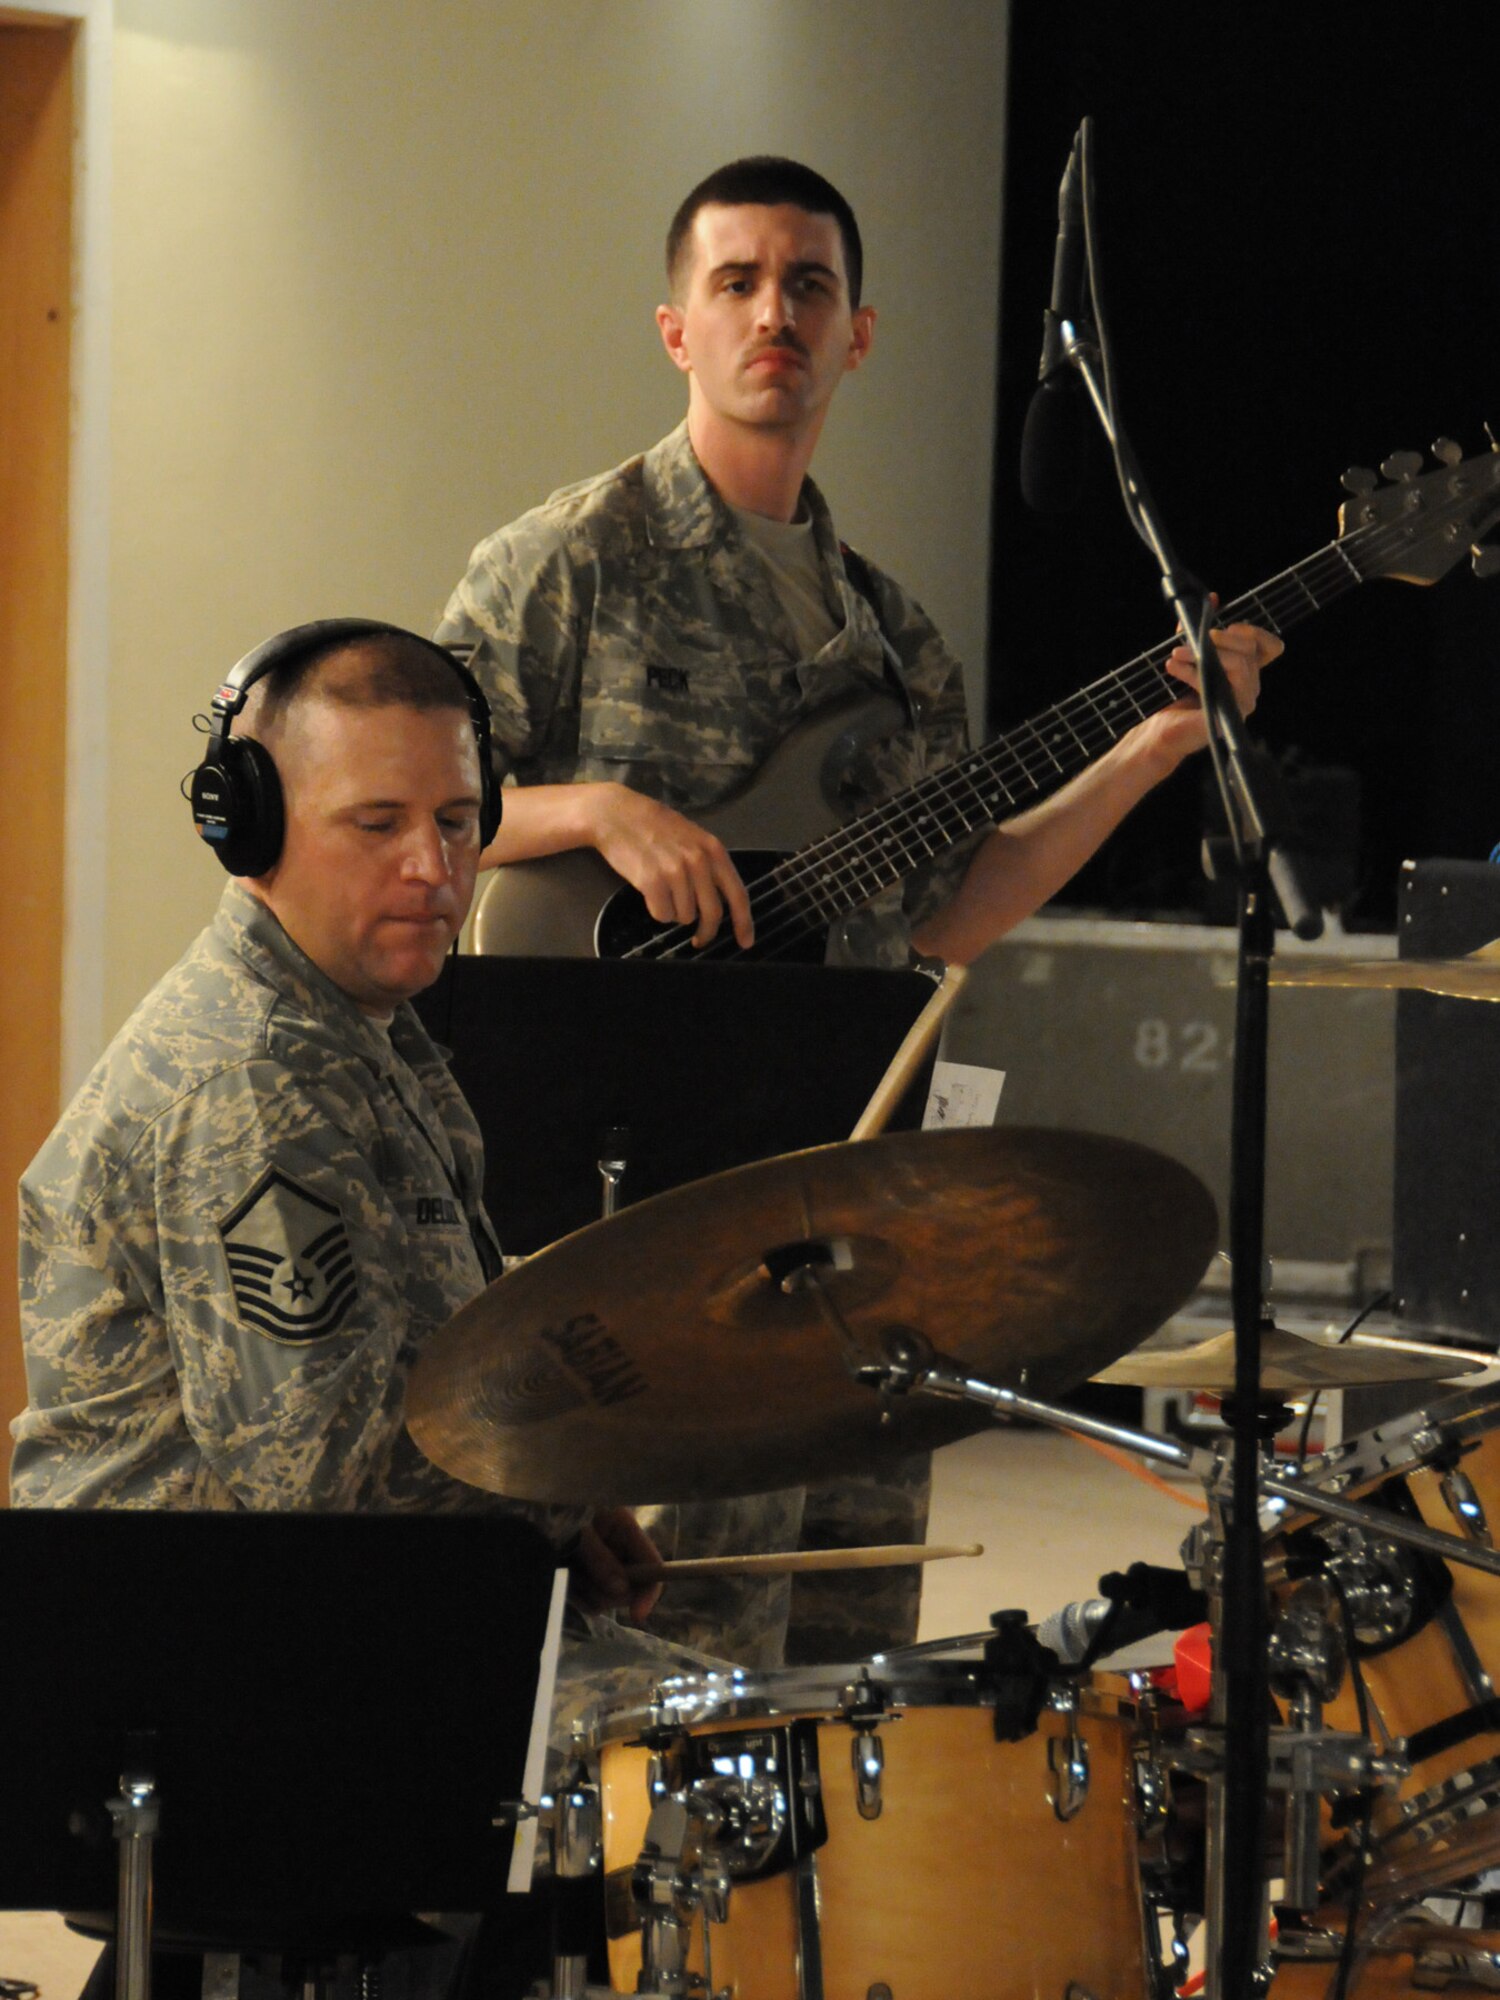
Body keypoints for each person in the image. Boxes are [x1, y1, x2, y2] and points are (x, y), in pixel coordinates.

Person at [434, 157, 1282, 1665]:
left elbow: (942, 918)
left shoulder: (894, 638)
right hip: (642, 1224)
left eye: (809, 286)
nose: (777, 313)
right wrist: (598, 811)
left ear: (858, 334)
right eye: (739, 283)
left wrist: (1157, 749)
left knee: (848, 1645)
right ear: (677, 328)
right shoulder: (568, 563)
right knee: (675, 1651)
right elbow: (411, 813)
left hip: (846, 1202)